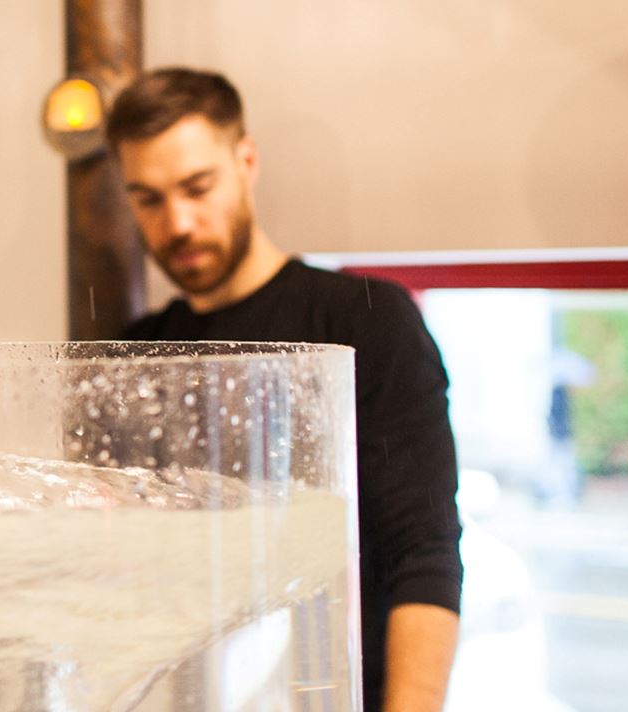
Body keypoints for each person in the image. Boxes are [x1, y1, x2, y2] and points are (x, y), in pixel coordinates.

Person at [108, 68, 464, 711]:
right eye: (148, 198)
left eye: (197, 186)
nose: (178, 222)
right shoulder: (135, 354)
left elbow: (425, 552)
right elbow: (117, 573)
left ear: (246, 162)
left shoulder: (365, 320)